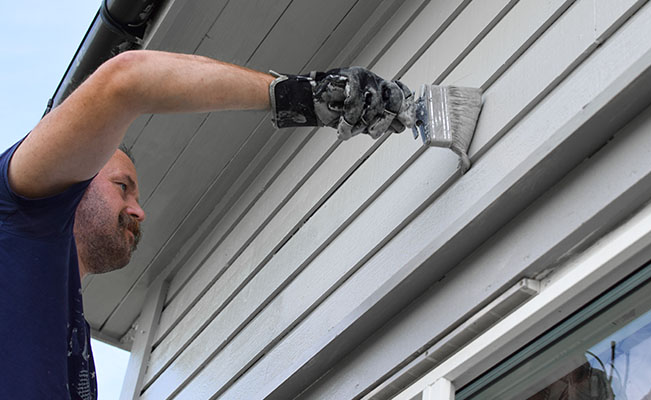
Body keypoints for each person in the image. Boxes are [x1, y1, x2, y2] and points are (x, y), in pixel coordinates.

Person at [0, 50, 414, 399]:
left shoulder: (67, 335)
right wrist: (304, 96)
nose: (138, 210)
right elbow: (126, 80)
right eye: (122, 187)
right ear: (73, 181)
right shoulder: (17, 214)